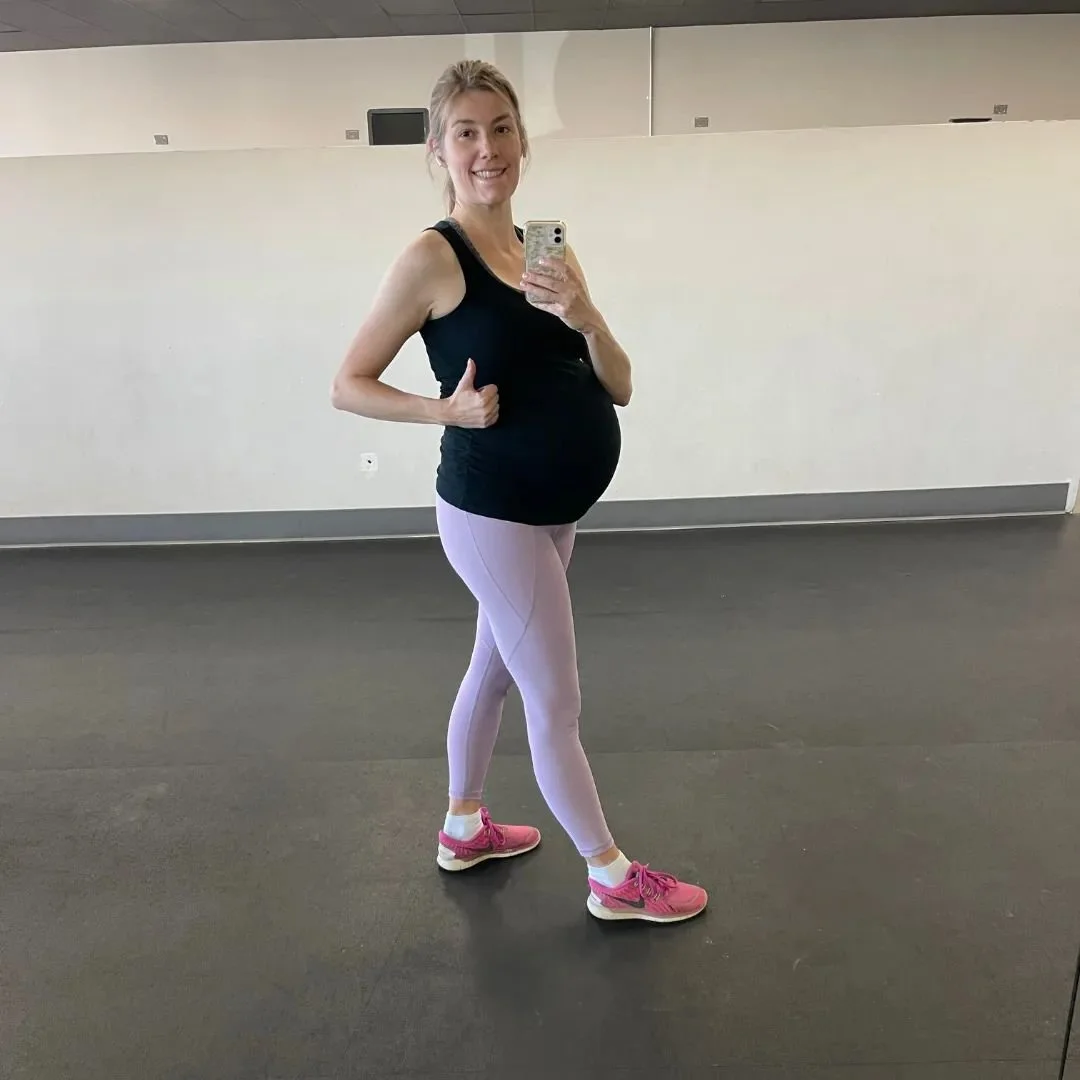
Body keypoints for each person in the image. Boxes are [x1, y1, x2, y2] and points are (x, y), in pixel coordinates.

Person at [332, 59, 707, 924]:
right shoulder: (433, 255)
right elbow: (347, 382)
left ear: (522, 142)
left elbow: (618, 384)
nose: (486, 148)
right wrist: (443, 410)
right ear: (438, 150)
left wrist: (586, 315)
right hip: (490, 507)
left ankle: (464, 826)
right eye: (466, 132)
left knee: (493, 671)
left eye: (500, 128)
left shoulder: (547, 245)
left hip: (551, 509)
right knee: (556, 698)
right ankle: (610, 876)